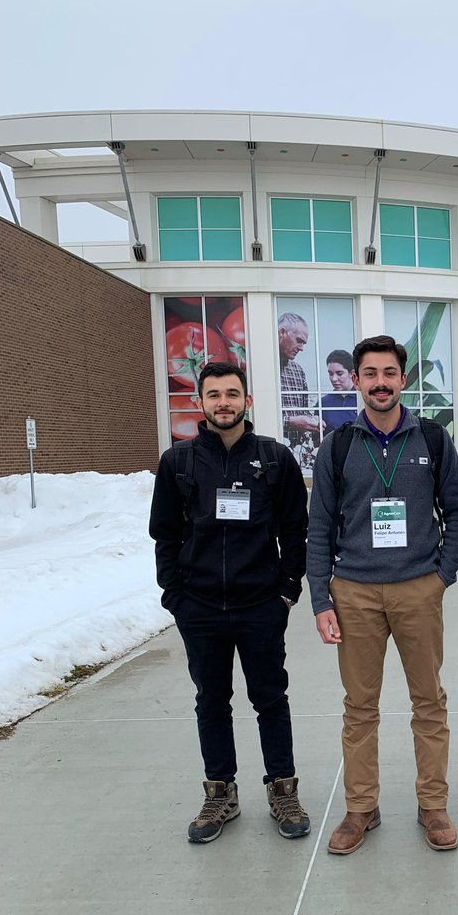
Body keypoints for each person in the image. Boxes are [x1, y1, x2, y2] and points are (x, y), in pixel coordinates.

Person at [307, 335, 458, 856]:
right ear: (356, 381)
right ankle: (361, 808)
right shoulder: (338, 445)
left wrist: (440, 577)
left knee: (429, 702)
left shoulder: (432, 440)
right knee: (360, 707)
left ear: (404, 379)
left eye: (390, 373)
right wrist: (321, 598)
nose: (380, 382)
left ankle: (432, 804)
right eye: (370, 373)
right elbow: (320, 527)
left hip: (417, 590)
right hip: (353, 591)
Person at [149, 361, 311, 844]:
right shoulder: (178, 461)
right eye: (214, 394)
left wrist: (285, 591)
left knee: (270, 699)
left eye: (232, 393)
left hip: (261, 605)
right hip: (199, 608)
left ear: (248, 401)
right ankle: (221, 792)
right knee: (211, 701)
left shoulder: (275, 458)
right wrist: (175, 596)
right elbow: (164, 534)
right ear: (201, 403)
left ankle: (282, 788)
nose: (224, 402)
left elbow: (294, 532)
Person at [278, 312, 319, 441]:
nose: (301, 348)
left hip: (296, 451)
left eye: (304, 343)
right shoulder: (260, 368)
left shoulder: (298, 371)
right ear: (282, 333)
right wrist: (289, 422)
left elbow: (304, 409)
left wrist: (313, 420)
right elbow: (257, 414)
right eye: (299, 341)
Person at [320, 348, 358, 431]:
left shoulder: (362, 400)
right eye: (330, 373)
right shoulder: (323, 403)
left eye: (339, 373)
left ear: (352, 373)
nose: (334, 379)